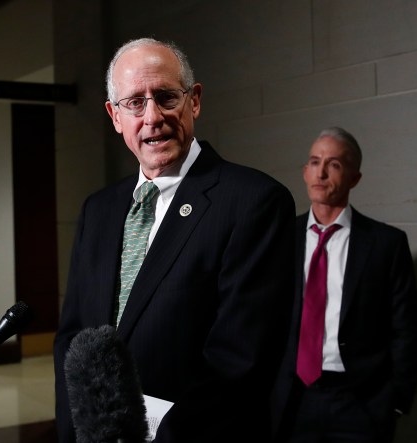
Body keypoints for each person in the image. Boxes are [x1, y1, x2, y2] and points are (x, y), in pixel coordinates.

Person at [53, 37, 296, 442]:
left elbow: (241, 359)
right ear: (115, 116)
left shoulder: (254, 202)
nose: (152, 116)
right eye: (134, 102)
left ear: (194, 101)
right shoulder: (98, 211)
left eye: (166, 97)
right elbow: (72, 340)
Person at [271, 127, 417, 442]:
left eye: (335, 165)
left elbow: (407, 328)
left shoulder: (386, 243)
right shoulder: (279, 237)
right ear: (304, 172)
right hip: (290, 397)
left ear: (354, 178)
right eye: (315, 162)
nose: (322, 173)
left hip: (360, 403)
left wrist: (394, 401)